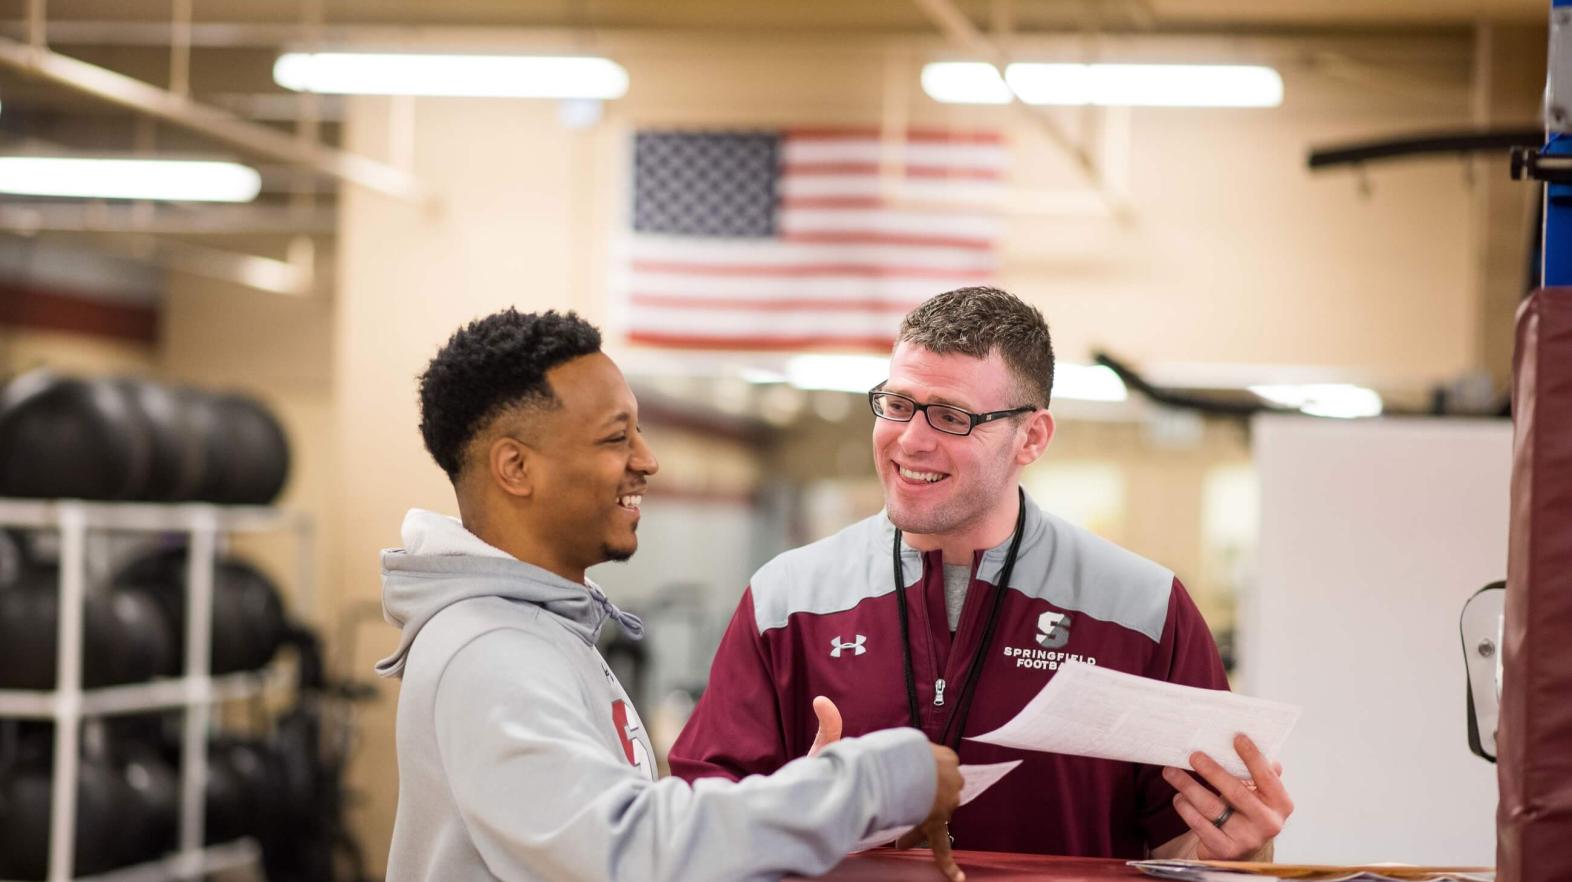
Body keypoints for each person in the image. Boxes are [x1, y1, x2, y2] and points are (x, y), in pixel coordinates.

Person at [669, 287, 1294, 860]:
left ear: (1031, 437)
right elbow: (692, 828)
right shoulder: (788, 597)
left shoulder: (1143, 608)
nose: (910, 440)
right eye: (897, 404)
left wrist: (1234, 853)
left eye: (951, 415)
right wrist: (797, 808)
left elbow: (1188, 847)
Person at [375, 308, 966, 882]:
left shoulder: (539, 632)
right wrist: (870, 784)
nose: (647, 460)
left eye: (638, 431)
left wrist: (798, 805)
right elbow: (630, 852)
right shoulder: (490, 651)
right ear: (516, 468)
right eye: (615, 438)